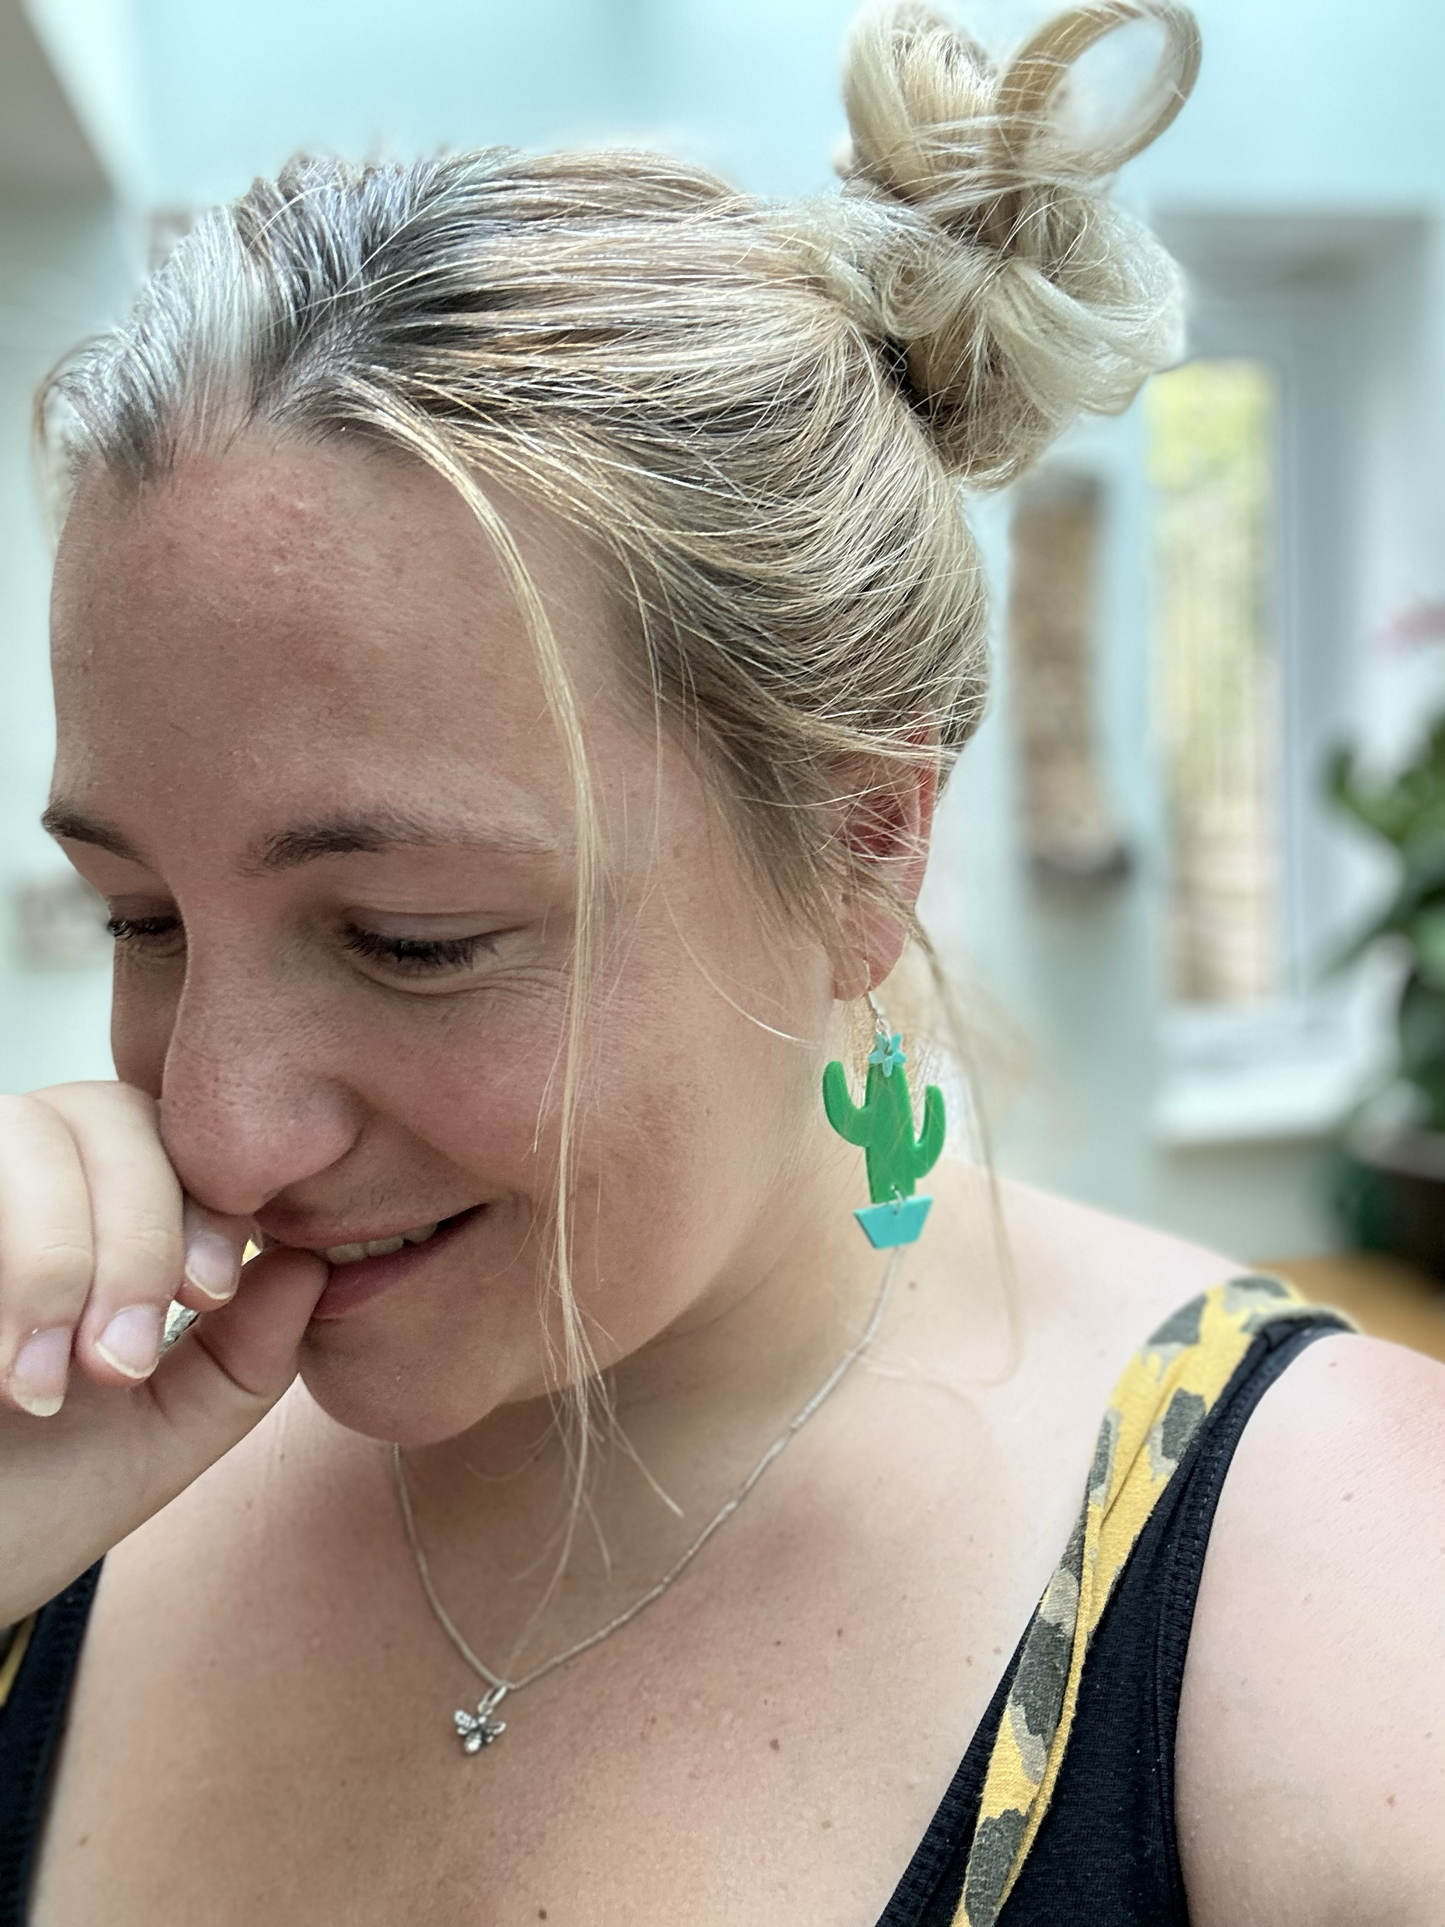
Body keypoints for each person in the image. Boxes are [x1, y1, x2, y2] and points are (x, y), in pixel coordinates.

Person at [1, 2, 1441, 1921]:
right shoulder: (63, 1485)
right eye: (140, 917)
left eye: (412, 936)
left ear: (864, 846)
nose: (219, 1128)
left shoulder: (1328, 1613)